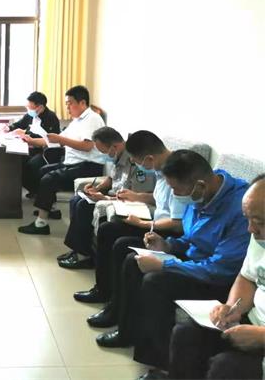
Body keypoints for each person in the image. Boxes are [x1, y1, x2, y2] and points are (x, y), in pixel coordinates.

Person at [96, 150, 250, 376]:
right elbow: (191, 237)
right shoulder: (202, 193)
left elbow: (220, 270)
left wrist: (165, 265)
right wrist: (168, 246)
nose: (175, 195)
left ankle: (160, 363)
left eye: (177, 190)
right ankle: (126, 330)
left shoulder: (240, 210)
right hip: (197, 261)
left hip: (217, 277)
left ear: (199, 185)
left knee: (156, 281)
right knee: (132, 258)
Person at [166, 174, 265, 380]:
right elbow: (247, 277)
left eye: (259, 222)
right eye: (248, 219)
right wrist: (232, 307)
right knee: (186, 334)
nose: (250, 229)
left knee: (226, 367)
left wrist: (261, 337)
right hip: (254, 320)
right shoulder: (259, 237)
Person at [74, 130, 183, 310]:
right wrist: (136, 196)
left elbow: (178, 224)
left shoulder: (178, 175)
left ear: (149, 159)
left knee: (119, 243)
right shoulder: (160, 168)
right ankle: (103, 290)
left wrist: (143, 224)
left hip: (166, 231)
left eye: (137, 162)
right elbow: (159, 199)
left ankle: (115, 305)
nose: (135, 165)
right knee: (108, 229)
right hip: (155, 222)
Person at [58, 126, 156, 269]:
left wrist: (105, 198)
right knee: (76, 200)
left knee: (83, 206)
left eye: (103, 151)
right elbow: (111, 179)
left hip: (126, 202)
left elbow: (134, 197)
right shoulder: (118, 156)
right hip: (113, 196)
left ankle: (84, 255)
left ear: (114, 146)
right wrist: (97, 189)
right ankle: (77, 250)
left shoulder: (136, 162)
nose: (102, 154)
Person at [18, 85, 105, 236]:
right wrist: (31, 141)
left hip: (88, 166)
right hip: (74, 163)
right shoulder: (77, 120)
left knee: (48, 178)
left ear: (82, 103)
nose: (67, 107)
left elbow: (87, 146)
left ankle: (41, 224)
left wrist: (60, 139)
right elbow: (54, 140)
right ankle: (50, 209)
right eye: (66, 104)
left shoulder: (92, 119)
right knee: (42, 170)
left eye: (70, 103)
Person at [5, 91, 61, 199]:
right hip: (31, 147)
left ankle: (39, 191)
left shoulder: (51, 118)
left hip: (46, 151)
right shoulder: (30, 115)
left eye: (30, 107)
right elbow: (20, 124)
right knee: (16, 160)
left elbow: (50, 140)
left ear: (40, 107)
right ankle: (33, 189)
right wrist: (9, 128)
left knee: (31, 165)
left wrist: (26, 134)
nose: (28, 110)